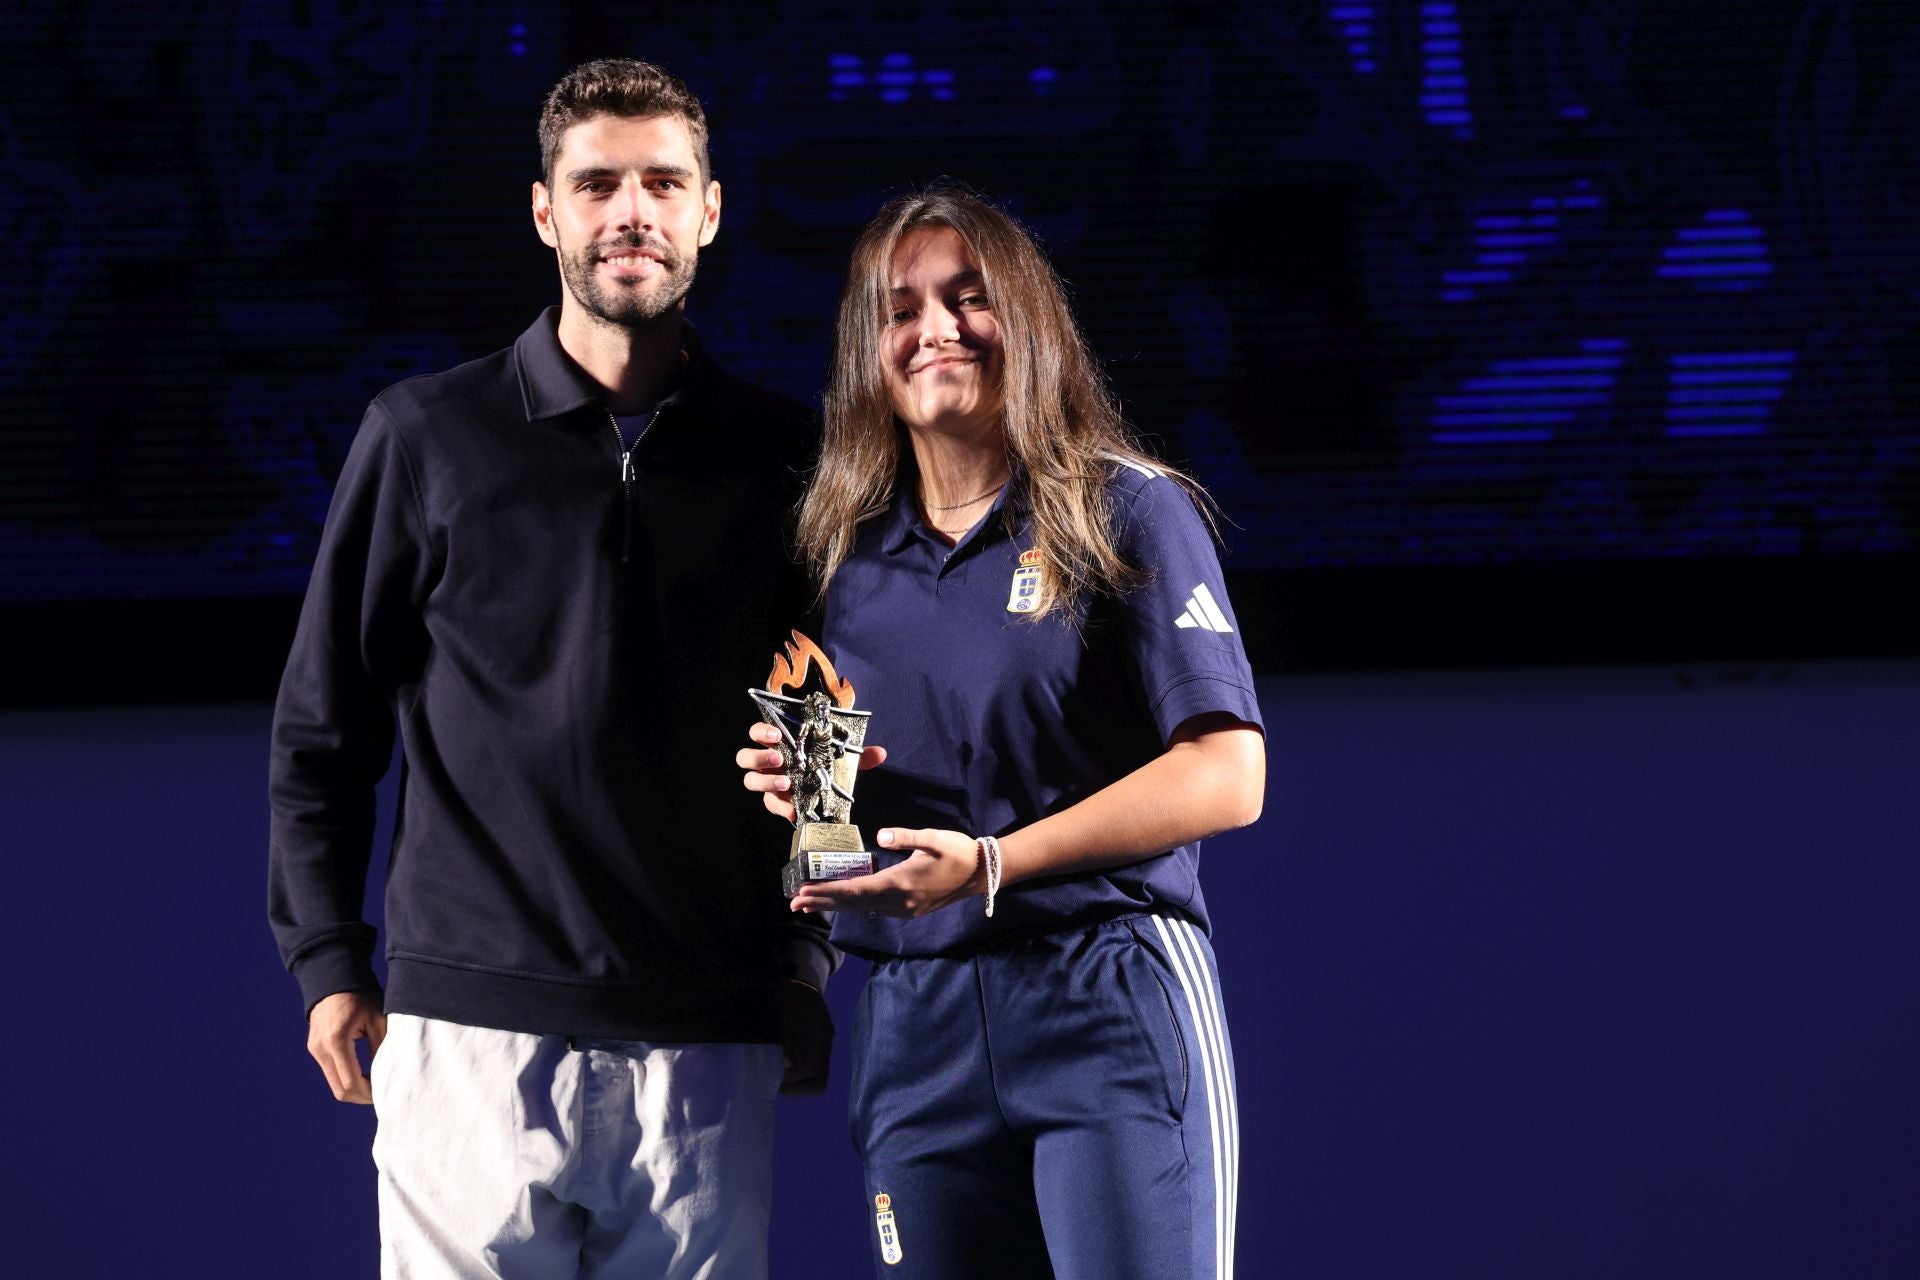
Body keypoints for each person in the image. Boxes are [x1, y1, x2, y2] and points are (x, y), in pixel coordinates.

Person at [269, 59, 831, 1280]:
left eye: (663, 183)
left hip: (706, 1032)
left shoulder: (788, 457)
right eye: (598, 184)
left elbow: (823, 713)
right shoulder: (425, 436)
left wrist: (806, 954)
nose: (632, 211)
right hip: (467, 1034)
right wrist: (326, 959)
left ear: (710, 210)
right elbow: (324, 726)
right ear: (546, 213)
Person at [738, 187, 1266, 1279]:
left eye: (969, 299)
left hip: (1106, 993)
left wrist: (994, 863)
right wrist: (803, 805)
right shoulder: (834, 561)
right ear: (865, 350)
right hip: (915, 1025)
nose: (936, 328)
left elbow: (1230, 772)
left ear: (1025, 321)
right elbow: (829, 839)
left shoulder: (1124, 509)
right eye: (902, 309)